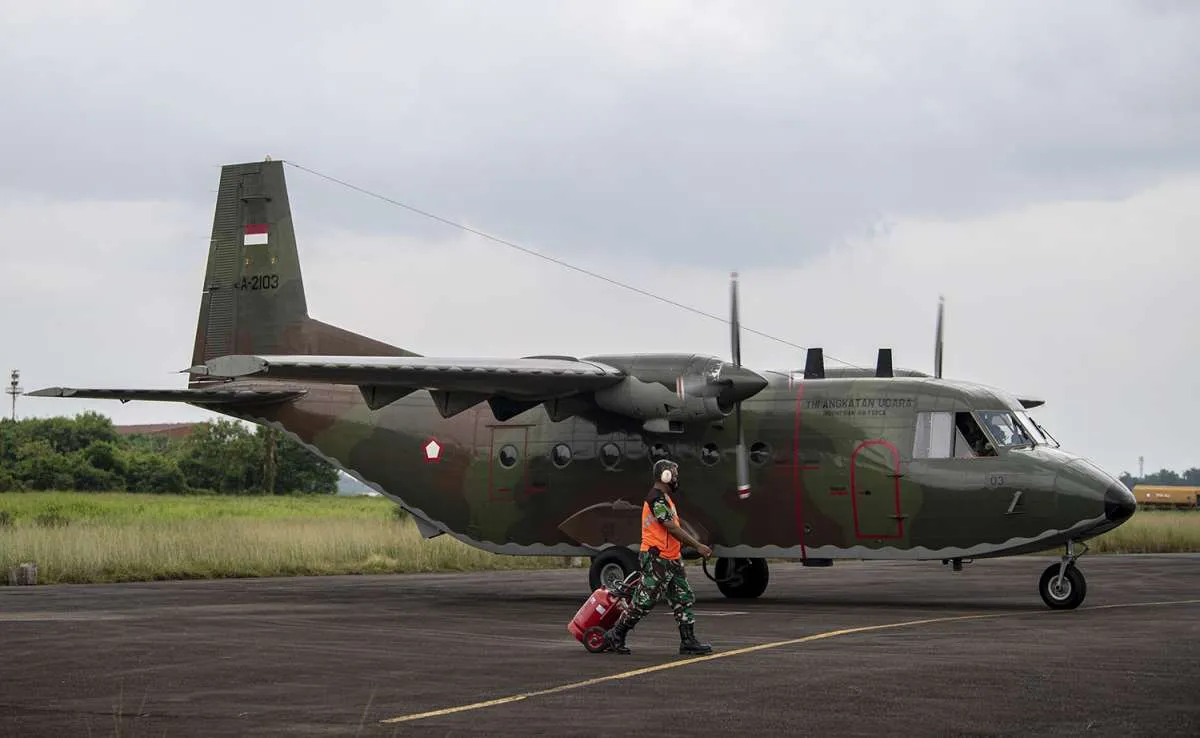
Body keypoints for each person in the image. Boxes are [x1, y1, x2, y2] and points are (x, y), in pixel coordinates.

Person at [602, 458, 714, 656]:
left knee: (683, 597)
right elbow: (670, 527)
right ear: (665, 476)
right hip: (657, 558)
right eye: (674, 475)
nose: (677, 479)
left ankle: (688, 641)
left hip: (671, 558)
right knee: (644, 601)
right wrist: (698, 546)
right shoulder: (656, 499)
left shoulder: (665, 498)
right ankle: (616, 634)